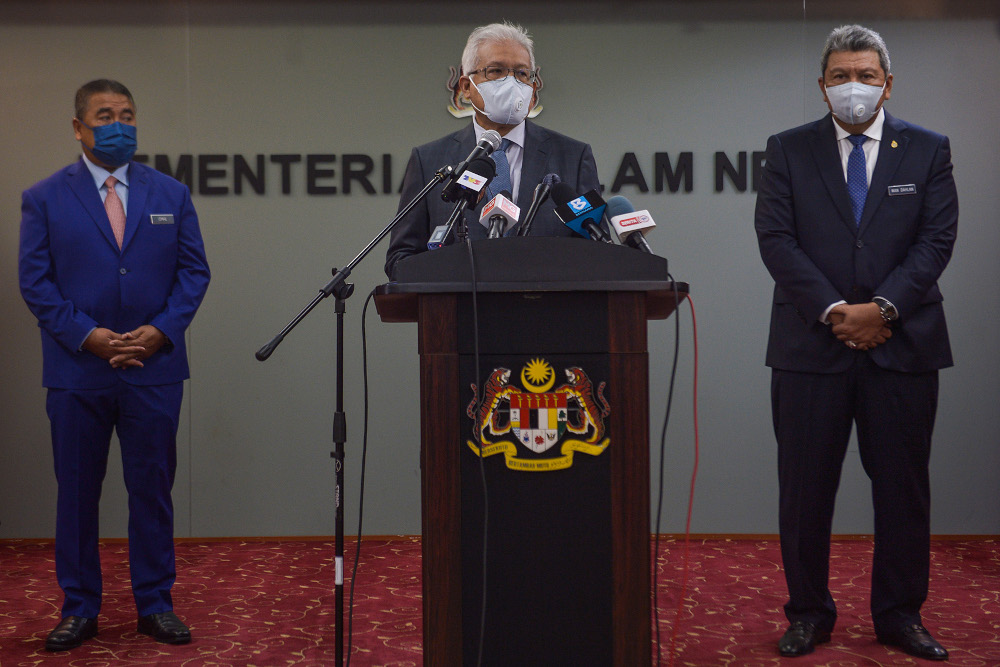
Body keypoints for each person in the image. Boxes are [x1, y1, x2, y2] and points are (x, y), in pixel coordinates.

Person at [755, 25, 956, 661]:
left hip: (905, 347)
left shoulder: (927, 149)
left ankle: (900, 615)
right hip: (810, 348)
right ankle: (809, 614)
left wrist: (885, 309)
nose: (854, 88)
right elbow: (777, 241)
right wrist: (839, 312)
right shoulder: (787, 150)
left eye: (866, 76)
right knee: (804, 490)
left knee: (903, 488)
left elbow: (936, 241)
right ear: (822, 88)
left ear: (888, 84)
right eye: (840, 77)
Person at [18, 79, 211, 651]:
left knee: (151, 491)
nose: (118, 124)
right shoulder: (44, 197)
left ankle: (155, 605)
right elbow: (36, 282)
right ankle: (79, 608)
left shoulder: (170, 194)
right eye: (105, 115)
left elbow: (194, 273)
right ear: (78, 127)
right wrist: (91, 337)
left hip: (154, 370)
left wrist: (160, 332)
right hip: (78, 372)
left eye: (127, 114)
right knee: (76, 493)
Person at [384, 21, 601, 279]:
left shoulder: (573, 157)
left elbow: (597, 250)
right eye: (496, 71)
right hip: (460, 314)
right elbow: (401, 258)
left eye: (522, 74)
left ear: (533, 89)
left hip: (548, 313)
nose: (511, 83)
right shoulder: (428, 160)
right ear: (465, 87)